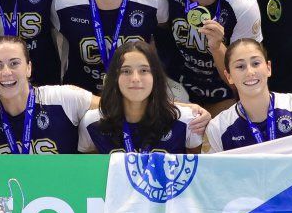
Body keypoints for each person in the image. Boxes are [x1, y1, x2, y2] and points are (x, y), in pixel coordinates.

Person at [159, 0, 262, 108]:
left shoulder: (241, 4)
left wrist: (216, 47)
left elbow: (245, 75)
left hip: (225, 92)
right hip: (179, 91)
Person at [80, 39, 209, 151]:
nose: (135, 78)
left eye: (144, 70)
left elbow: (196, 169)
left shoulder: (187, 120)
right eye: (126, 71)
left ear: (156, 77)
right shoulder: (92, 122)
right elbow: (91, 167)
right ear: (114, 78)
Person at [204, 37, 292, 149]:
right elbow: (212, 172)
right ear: (229, 76)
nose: (250, 72)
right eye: (240, 66)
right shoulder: (217, 128)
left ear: (268, 68)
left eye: (255, 63)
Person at [0, 36, 94, 153]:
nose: (6, 72)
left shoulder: (62, 98)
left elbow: (111, 108)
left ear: (28, 68)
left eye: (14, 63)